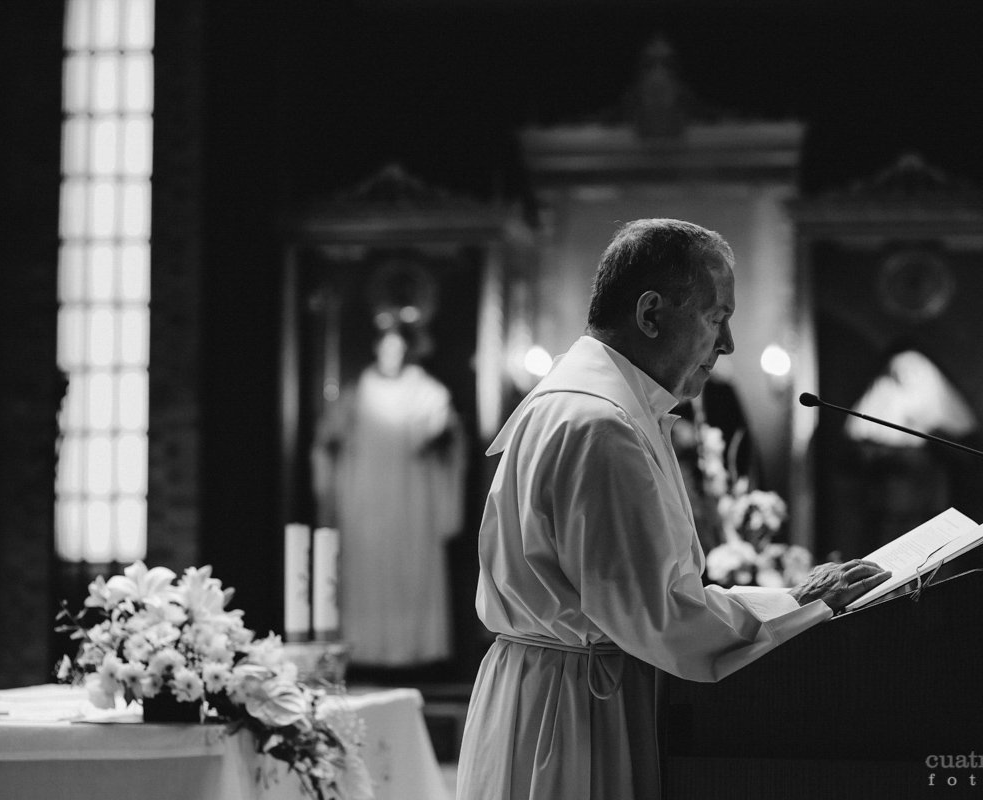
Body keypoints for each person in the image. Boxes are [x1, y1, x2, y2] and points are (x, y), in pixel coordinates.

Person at [455, 219, 890, 799]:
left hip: (556, 693)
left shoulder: (589, 405)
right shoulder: (601, 425)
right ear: (651, 314)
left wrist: (791, 600)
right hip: (578, 715)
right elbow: (659, 617)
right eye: (717, 317)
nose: (728, 343)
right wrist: (797, 607)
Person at [311, 323, 465, 666]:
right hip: (366, 499)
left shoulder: (426, 392)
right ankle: (366, 649)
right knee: (369, 573)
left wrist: (442, 439)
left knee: (409, 569)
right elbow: (329, 439)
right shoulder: (357, 393)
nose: (391, 356)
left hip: (411, 503)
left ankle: (412, 650)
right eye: (386, 348)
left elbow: (445, 436)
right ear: (377, 349)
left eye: (398, 349)